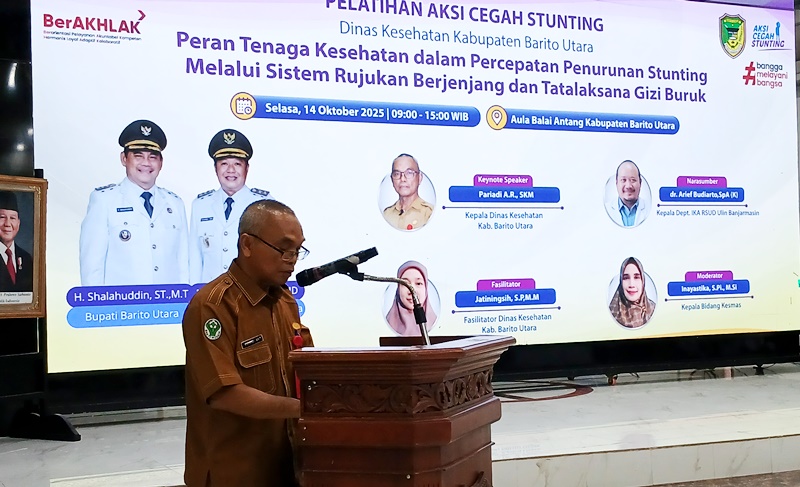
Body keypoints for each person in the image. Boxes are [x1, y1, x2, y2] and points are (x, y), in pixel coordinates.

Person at [182, 199, 313, 486]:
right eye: (284, 248)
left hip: (284, 468)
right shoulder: (212, 306)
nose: (291, 259)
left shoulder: (285, 301)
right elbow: (225, 394)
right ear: (247, 244)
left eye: (297, 250)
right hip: (233, 474)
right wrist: (305, 408)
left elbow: (303, 372)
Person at [79, 120, 189, 286]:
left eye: (152, 157)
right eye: (138, 156)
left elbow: (183, 265)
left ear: (161, 162)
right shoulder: (104, 200)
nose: (146, 163)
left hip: (167, 301)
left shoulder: (175, 204)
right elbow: (92, 267)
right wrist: (94, 301)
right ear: (124, 159)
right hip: (121, 302)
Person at [189, 129, 272, 284]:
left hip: (249, 293)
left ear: (247, 168)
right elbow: (195, 258)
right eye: (224, 164)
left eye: (237, 164)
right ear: (215, 168)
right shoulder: (200, 205)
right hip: (210, 294)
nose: (231, 170)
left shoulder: (264, 204)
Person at [382, 154, 434, 231]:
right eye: (397, 174)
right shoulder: (387, 214)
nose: (402, 179)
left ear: (420, 178)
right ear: (392, 179)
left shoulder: (429, 213)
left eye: (409, 173)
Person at [386, 260, 438, 336]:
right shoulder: (386, 326)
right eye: (405, 284)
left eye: (418, 283)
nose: (412, 290)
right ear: (398, 288)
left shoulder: (436, 324)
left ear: (426, 288)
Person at [609, 257, 656, 329]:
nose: (631, 284)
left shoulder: (653, 309)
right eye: (626, 278)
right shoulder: (612, 312)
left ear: (643, 281)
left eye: (636, 277)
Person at [0, 191, 33, 292]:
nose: (7, 224)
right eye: (2, 217)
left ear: (18, 223)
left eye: (12, 218)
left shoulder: (27, 258)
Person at [606, 160, 648, 228]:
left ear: (640, 183)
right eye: (623, 180)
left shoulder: (650, 209)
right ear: (616, 183)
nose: (628, 186)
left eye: (633, 180)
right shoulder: (606, 210)